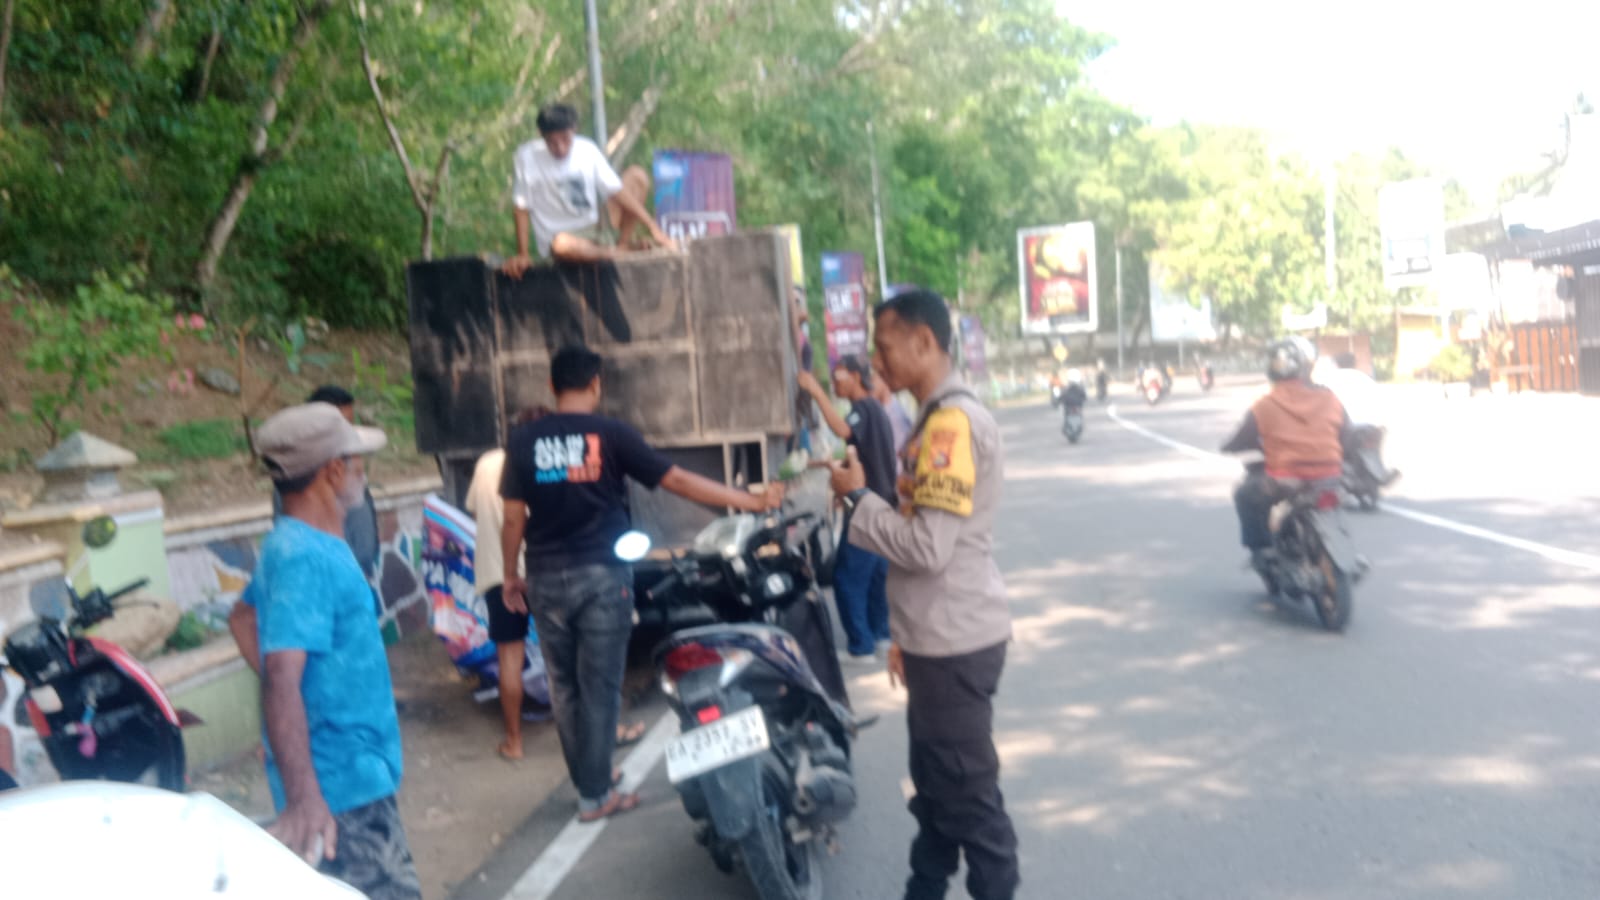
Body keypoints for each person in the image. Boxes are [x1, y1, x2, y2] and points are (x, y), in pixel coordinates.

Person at [499, 345, 783, 822]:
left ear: (552, 386)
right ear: (596, 384)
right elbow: (678, 482)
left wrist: (511, 574)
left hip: (545, 577)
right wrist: (749, 501)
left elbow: (512, 517)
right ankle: (595, 796)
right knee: (600, 686)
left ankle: (591, 781)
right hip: (602, 576)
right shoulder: (612, 434)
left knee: (565, 687)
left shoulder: (524, 439)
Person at [825, 289, 1020, 900]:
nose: (877, 361)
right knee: (937, 790)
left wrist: (859, 499)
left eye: (885, 347)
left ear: (925, 342)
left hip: (954, 642)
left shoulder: (949, 426)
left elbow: (928, 548)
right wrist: (906, 639)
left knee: (969, 802)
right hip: (938, 638)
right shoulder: (936, 418)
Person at [227, 404, 418, 900]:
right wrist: (303, 798)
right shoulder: (306, 558)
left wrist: (298, 703)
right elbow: (281, 674)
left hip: (345, 778)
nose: (363, 472)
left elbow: (243, 618)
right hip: (340, 791)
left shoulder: (290, 544)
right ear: (334, 471)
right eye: (357, 462)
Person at [797, 355, 897, 664]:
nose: (835, 383)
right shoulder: (875, 411)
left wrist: (816, 391)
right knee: (876, 576)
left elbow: (841, 429)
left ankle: (861, 646)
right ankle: (881, 637)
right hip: (884, 507)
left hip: (867, 508)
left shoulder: (862, 409)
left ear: (855, 376)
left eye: (839, 376)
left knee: (847, 577)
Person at [502, 103, 674, 272]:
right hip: (562, 242)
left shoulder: (587, 149)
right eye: (552, 143)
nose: (560, 148)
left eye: (565, 139)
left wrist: (652, 225)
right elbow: (521, 208)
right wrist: (523, 254)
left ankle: (622, 245)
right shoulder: (527, 157)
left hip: (596, 229)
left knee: (637, 177)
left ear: (574, 130)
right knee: (561, 244)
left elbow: (616, 190)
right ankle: (621, 253)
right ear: (542, 136)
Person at [1222, 337, 1348, 566]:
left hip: (1285, 480)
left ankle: (1263, 550)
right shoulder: (1330, 398)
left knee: (1244, 495)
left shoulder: (1265, 404)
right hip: (1330, 477)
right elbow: (1345, 432)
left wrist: (1228, 447)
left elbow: (1242, 437)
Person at [271, 386, 380, 583]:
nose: (350, 435)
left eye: (350, 425)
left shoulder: (348, 471)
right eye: (342, 427)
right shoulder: (296, 481)